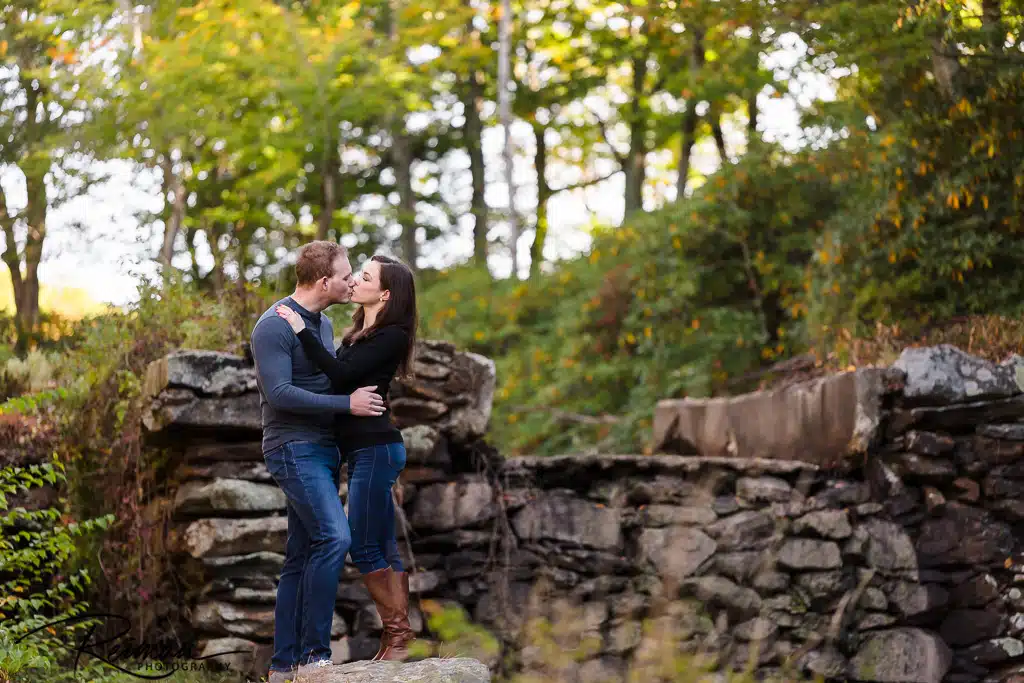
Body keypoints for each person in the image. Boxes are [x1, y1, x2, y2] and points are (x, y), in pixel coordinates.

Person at [250, 241, 386, 683]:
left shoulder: (323, 324)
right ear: (324, 281)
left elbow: (333, 371)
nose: (352, 282)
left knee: (300, 554)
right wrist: (347, 405)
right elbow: (280, 394)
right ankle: (314, 656)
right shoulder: (273, 326)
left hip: (324, 450)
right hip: (291, 446)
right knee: (334, 537)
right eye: (347, 275)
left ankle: (282, 665)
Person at [274, 254, 417, 662]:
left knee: (365, 546)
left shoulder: (391, 335)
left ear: (385, 293)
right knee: (382, 543)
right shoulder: (361, 331)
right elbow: (341, 374)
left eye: (365, 277)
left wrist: (302, 330)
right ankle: (398, 640)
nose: (355, 280)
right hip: (364, 450)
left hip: (376, 449)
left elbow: (337, 375)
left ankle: (400, 638)